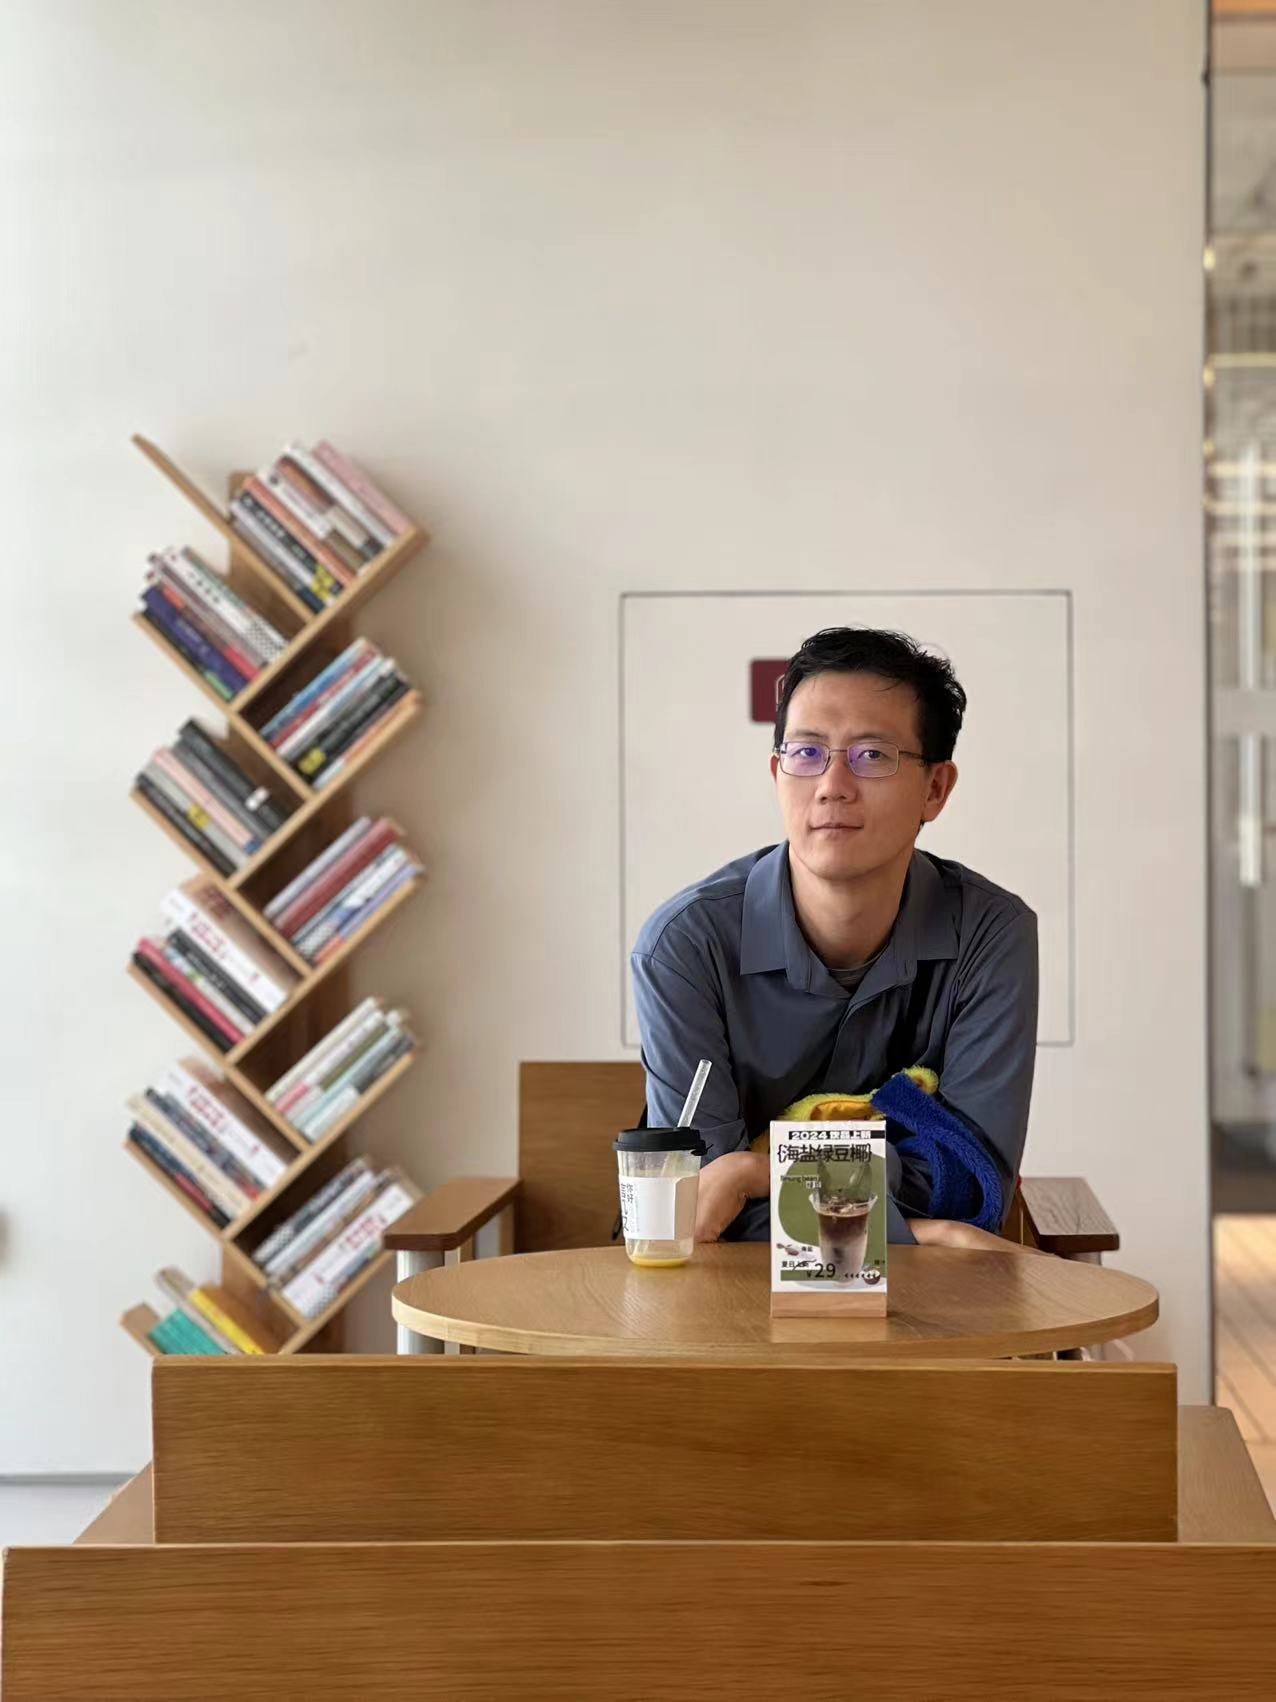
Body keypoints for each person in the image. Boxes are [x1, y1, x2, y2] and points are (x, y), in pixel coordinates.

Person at [631, 626, 1039, 1249]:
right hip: (727, 1291)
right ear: (777, 773)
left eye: (872, 755)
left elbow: (970, 1185)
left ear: (935, 789)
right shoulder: (685, 946)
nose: (832, 785)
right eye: (807, 752)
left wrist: (757, 1172)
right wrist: (916, 1231)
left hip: (927, 1296)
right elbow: (704, 1210)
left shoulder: (992, 935)